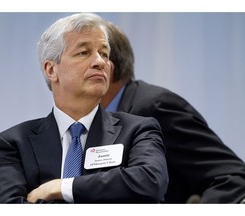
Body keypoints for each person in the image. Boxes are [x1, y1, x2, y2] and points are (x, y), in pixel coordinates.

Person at [0, 13, 168, 204]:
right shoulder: (15, 143)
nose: (100, 62)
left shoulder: (138, 130)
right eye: (84, 52)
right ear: (51, 70)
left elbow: (150, 182)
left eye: (104, 54)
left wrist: (62, 187)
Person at [101, 21, 245, 203]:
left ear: (106, 66)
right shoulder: (88, 123)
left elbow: (230, 177)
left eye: (82, 54)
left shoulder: (154, 107)